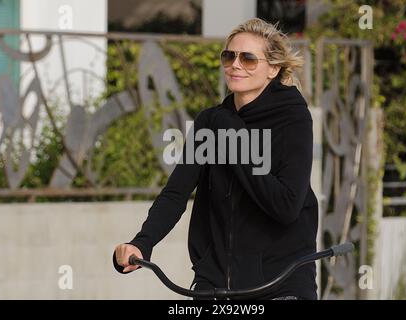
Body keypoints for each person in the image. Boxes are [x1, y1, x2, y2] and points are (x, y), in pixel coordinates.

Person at [113, 18, 319, 300]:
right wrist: (141, 243)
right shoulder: (211, 122)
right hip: (216, 284)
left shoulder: (292, 119)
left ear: (272, 68)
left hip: (281, 284)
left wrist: (233, 137)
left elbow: (285, 206)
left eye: (248, 59)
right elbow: (175, 194)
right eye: (229, 56)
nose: (235, 65)